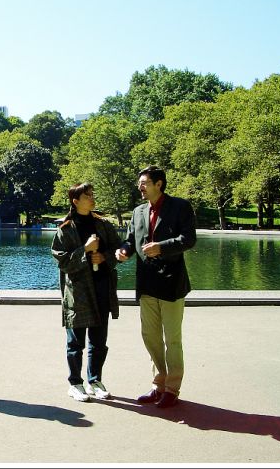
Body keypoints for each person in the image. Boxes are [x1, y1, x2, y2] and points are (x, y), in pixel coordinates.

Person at [115, 165, 197, 409]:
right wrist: (124, 251)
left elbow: (188, 239)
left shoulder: (180, 207)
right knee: (149, 336)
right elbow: (131, 240)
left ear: (158, 183)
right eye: (140, 183)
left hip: (171, 283)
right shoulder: (138, 211)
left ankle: (172, 388)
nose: (140, 187)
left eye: (144, 182)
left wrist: (161, 246)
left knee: (172, 339)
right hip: (146, 283)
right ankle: (158, 384)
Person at [51, 183, 122, 402]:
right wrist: (86, 250)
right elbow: (62, 262)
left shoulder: (103, 225)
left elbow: (117, 249)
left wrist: (105, 257)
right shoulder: (65, 229)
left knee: (99, 340)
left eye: (92, 194)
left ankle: (95, 380)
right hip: (78, 293)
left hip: (102, 288)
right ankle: (75, 383)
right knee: (76, 342)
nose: (92, 198)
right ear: (76, 201)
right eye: (87, 195)